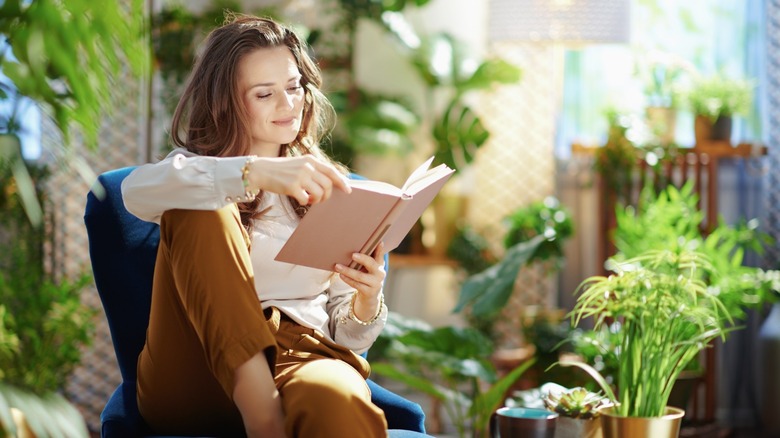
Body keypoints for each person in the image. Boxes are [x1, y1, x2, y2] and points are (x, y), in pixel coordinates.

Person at [122, 13, 395, 438]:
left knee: (336, 399)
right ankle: (263, 418)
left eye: (293, 87)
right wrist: (253, 173)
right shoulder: (198, 173)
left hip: (300, 356)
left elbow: (348, 337)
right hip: (194, 369)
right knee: (200, 205)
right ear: (227, 102)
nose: (288, 105)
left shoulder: (330, 184)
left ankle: (274, 407)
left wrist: (367, 298)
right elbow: (133, 192)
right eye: (265, 94)